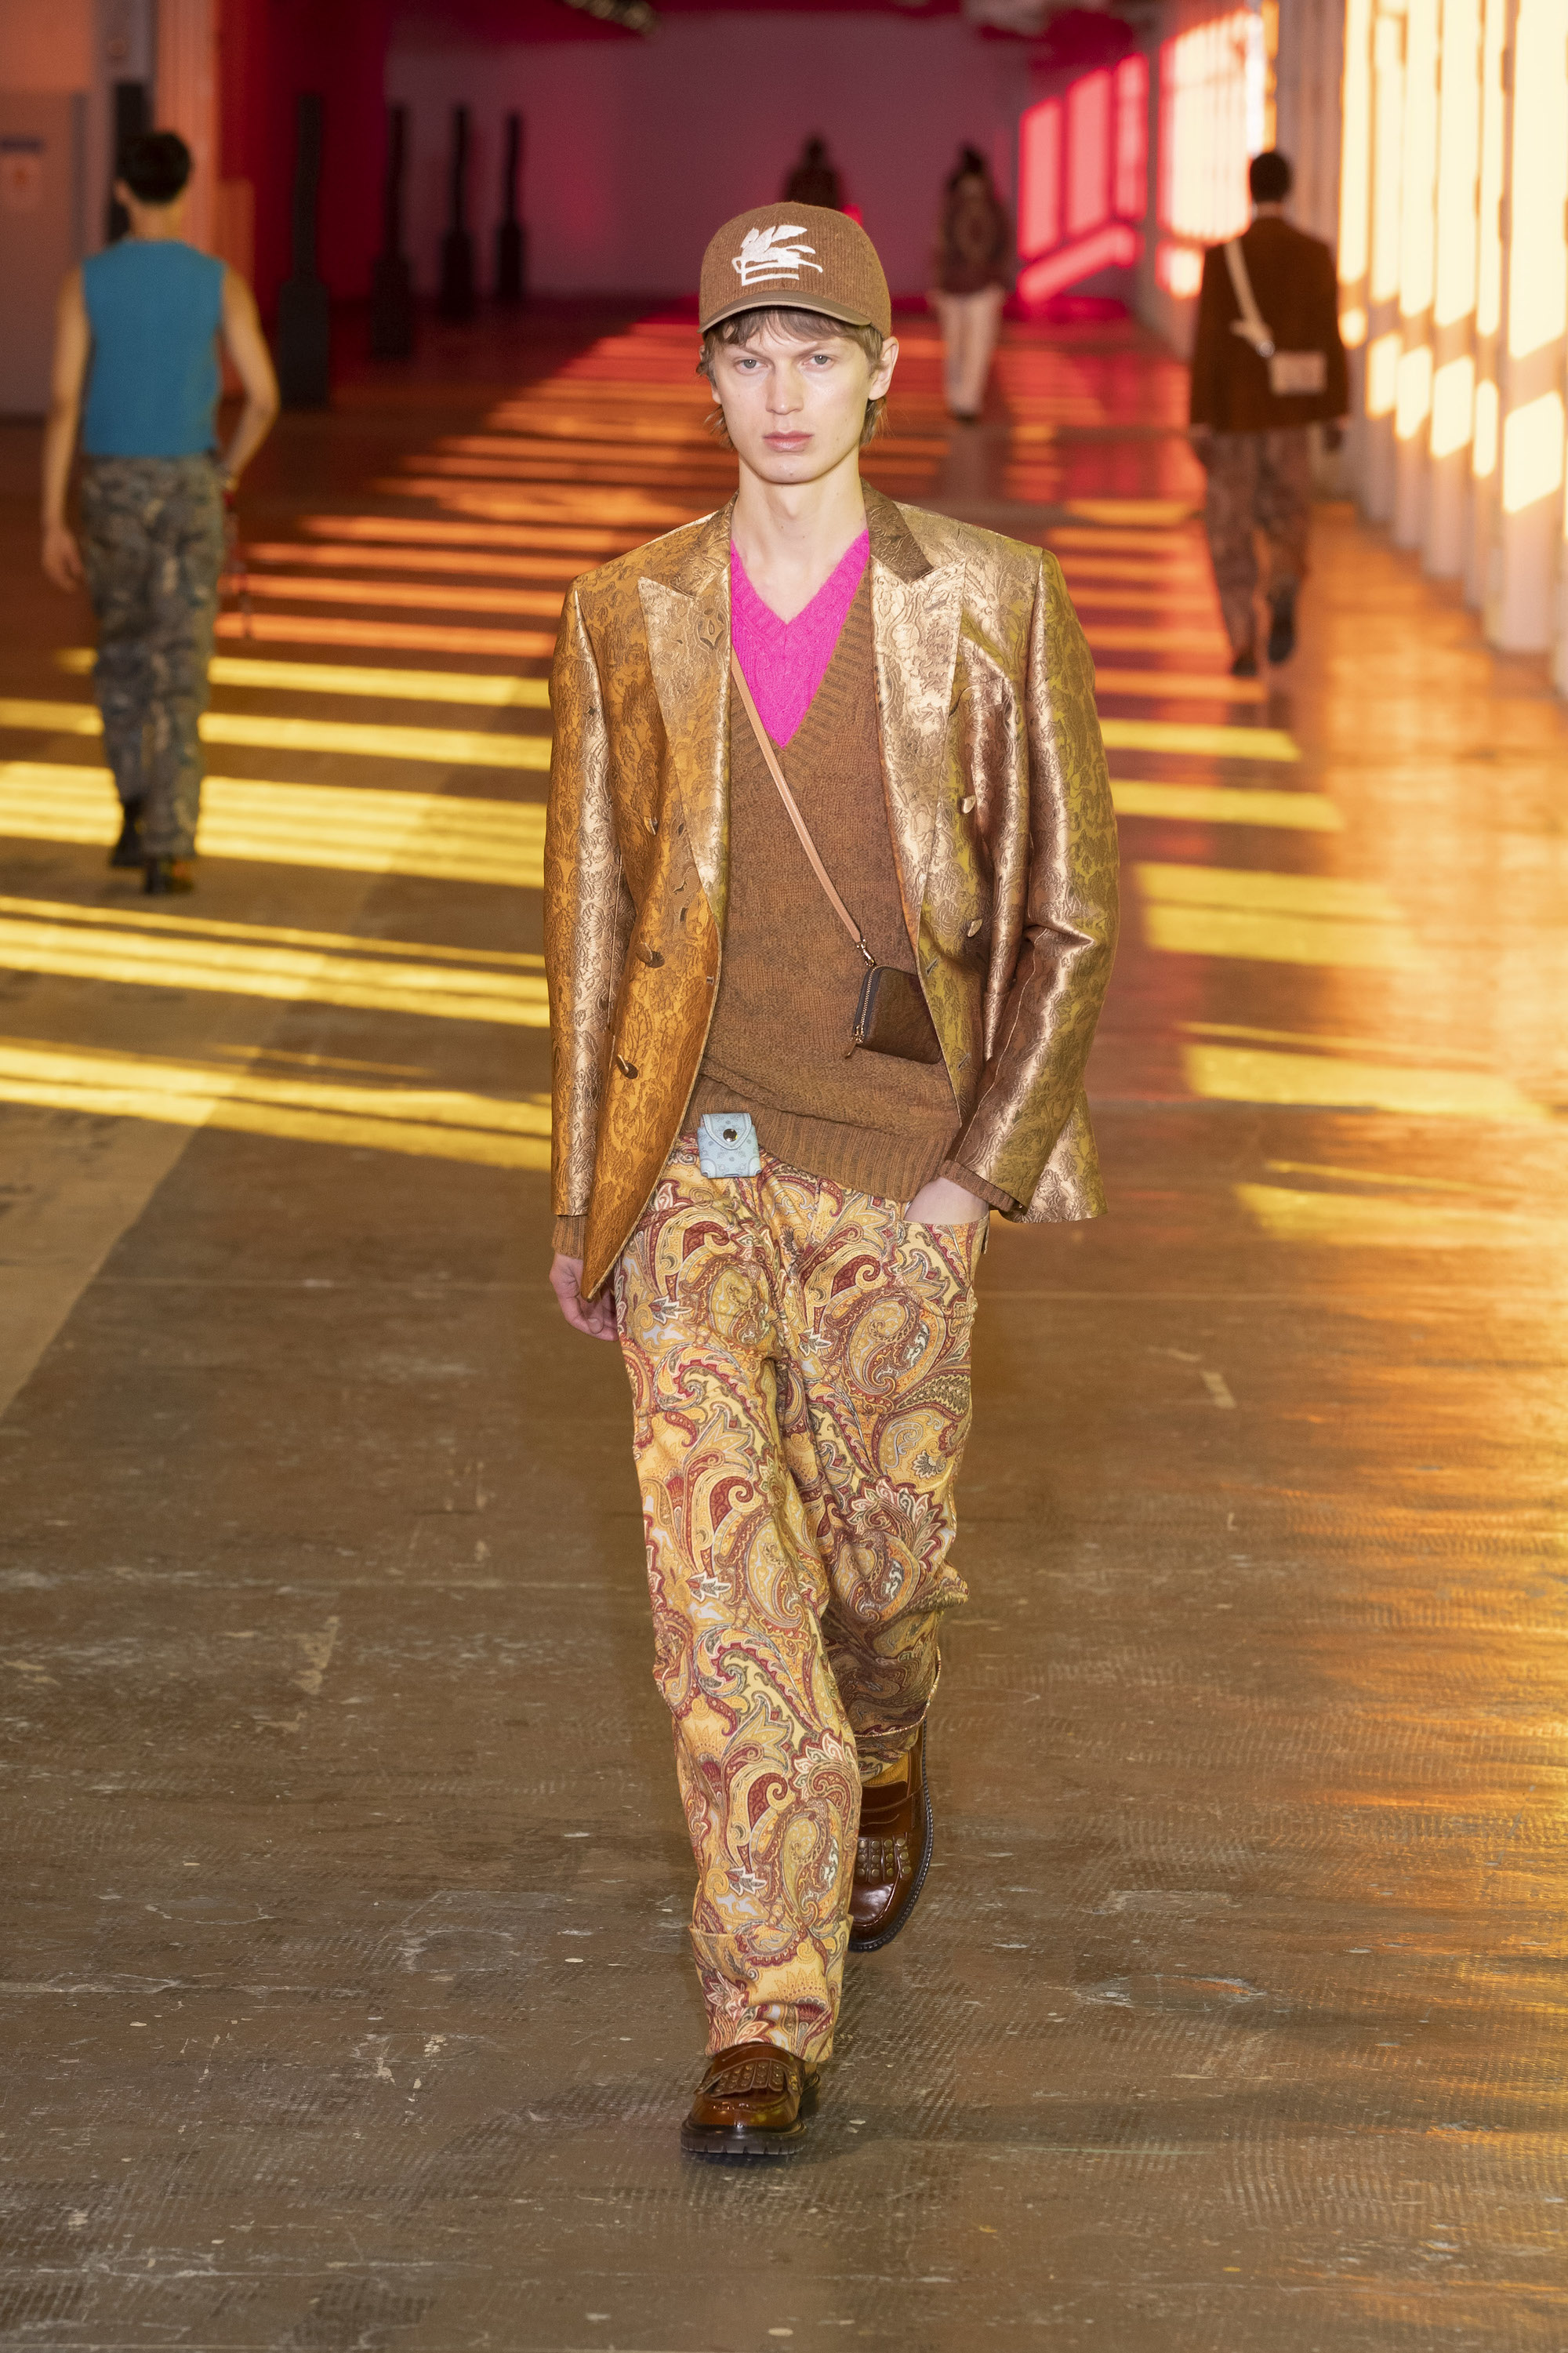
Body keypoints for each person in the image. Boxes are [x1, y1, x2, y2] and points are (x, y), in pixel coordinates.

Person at [545, 201, 1118, 2160]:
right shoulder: (625, 611)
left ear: (881, 372)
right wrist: (585, 1195)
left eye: (816, 355)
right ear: (707, 381)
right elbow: (592, 928)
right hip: (690, 1176)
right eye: (747, 356)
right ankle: (765, 2005)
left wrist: (973, 1183)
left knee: (880, 1571)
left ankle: (886, 1738)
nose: (781, 393)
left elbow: (1064, 915)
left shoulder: (992, 602)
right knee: (723, 1595)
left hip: (900, 1181)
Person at [41, 130, 279, 895]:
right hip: (188, 488)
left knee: (120, 653)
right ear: (184, 190)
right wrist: (225, 472)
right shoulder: (218, 282)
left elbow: (63, 404)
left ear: (121, 190)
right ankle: (170, 847)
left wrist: (51, 519)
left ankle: (132, 809)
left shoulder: (86, 282)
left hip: (109, 489)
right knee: (179, 667)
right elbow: (264, 398)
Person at [1188, 148, 1348, 676]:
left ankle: (1241, 639)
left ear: (1250, 189)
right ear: (1289, 190)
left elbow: (1208, 341)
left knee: (1229, 527)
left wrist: (1199, 416)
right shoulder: (1314, 255)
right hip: (1290, 414)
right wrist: (1334, 412)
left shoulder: (1224, 258)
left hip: (1234, 415)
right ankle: (1282, 584)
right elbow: (1329, 337)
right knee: (1289, 514)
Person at [929, 146, 1012, 423]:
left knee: (954, 347)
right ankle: (969, 403)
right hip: (985, 286)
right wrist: (999, 281)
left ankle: (957, 399)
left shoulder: (951, 205)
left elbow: (939, 247)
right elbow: (1004, 245)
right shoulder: (993, 205)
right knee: (978, 346)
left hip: (951, 286)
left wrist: (936, 283)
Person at [783, 135, 843, 212]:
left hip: (819, 214)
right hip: (804, 213)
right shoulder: (798, 176)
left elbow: (835, 201)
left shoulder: (828, 177)